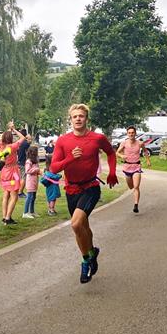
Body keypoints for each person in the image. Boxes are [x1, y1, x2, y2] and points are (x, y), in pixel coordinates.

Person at [50, 103, 118, 284]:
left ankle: (85, 261)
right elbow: (54, 168)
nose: (78, 119)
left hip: (90, 187)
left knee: (75, 224)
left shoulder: (97, 138)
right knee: (82, 228)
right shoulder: (63, 141)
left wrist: (112, 172)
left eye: (81, 116)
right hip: (71, 189)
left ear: (86, 118)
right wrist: (71, 157)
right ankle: (92, 252)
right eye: (75, 116)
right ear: (70, 119)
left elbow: (111, 153)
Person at [116, 126, 152, 213]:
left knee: (136, 186)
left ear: (135, 133)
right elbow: (117, 152)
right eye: (129, 133)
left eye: (133, 133)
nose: (131, 134)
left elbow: (145, 151)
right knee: (131, 186)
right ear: (127, 134)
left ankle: (136, 205)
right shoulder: (124, 143)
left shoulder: (140, 143)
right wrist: (122, 156)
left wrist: (148, 160)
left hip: (136, 167)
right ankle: (133, 192)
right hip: (127, 167)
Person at [0, 124, 26, 225]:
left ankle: (4, 216)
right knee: (14, 195)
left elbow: (2, 138)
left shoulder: (0, 146)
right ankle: (8, 217)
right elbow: (23, 137)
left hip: (4, 171)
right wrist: (13, 129)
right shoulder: (13, 147)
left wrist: (8, 131)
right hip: (13, 172)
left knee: (6, 194)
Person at [23, 145, 40, 218]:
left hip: (35, 181)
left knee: (33, 197)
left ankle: (32, 211)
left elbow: (36, 169)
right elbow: (27, 171)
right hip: (30, 181)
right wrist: (36, 169)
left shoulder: (35, 161)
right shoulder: (28, 161)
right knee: (29, 196)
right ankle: (25, 212)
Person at [17, 132, 32, 197]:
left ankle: (18, 190)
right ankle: (20, 192)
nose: (30, 141)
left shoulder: (20, 143)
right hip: (23, 162)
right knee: (24, 177)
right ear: (26, 139)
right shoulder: (26, 144)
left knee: (20, 177)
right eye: (30, 139)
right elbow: (28, 153)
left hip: (19, 162)